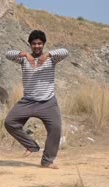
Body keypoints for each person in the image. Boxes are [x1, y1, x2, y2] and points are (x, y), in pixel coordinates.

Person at [4, 30, 69, 169]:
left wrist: (48, 55)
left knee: (56, 129)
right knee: (10, 122)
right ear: (30, 45)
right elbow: (7, 54)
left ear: (43, 44)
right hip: (28, 101)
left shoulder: (52, 59)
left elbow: (65, 51)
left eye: (40, 43)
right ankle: (31, 146)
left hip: (48, 102)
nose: (37, 46)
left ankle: (47, 161)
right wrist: (26, 54)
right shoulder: (24, 59)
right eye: (34, 44)